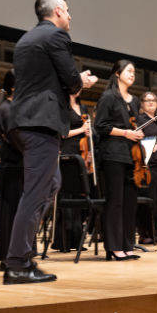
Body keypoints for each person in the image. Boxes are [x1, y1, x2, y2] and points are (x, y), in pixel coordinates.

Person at [4, 0, 97, 284]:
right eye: (67, 11)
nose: (70, 16)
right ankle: (18, 263)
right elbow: (70, 80)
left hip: (23, 122)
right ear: (57, 11)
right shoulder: (56, 37)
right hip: (40, 123)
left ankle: (22, 256)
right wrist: (84, 80)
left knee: (51, 183)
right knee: (35, 193)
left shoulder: (25, 40)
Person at [94, 60, 144, 260]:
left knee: (130, 202)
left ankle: (127, 243)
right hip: (113, 154)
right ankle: (114, 246)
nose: (132, 74)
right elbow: (101, 125)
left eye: (134, 71)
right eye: (129, 71)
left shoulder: (135, 101)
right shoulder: (108, 97)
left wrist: (137, 134)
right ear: (117, 73)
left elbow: (136, 125)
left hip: (133, 156)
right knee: (115, 202)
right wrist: (125, 133)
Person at [51, 89, 91, 252]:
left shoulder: (83, 108)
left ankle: (77, 239)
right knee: (66, 196)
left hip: (81, 154)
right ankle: (63, 241)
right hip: (67, 153)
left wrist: (89, 149)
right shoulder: (61, 107)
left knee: (78, 197)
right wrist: (82, 129)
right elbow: (61, 132)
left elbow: (87, 133)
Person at [0, 70, 21, 266]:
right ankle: (8, 255)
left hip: (19, 165)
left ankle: (15, 253)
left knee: (17, 211)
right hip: (14, 165)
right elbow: (16, 140)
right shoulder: (7, 109)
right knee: (11, 212)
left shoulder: (15, 108)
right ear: (14, 87)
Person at [136, 91, 157, 245]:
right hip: (149, 166)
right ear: (142, 104)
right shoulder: (140, 120)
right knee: (149, 200)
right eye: (147, 100)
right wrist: (147, 145)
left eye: (153, 100)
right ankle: (145, 233)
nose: (151, 103)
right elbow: (137, 141)